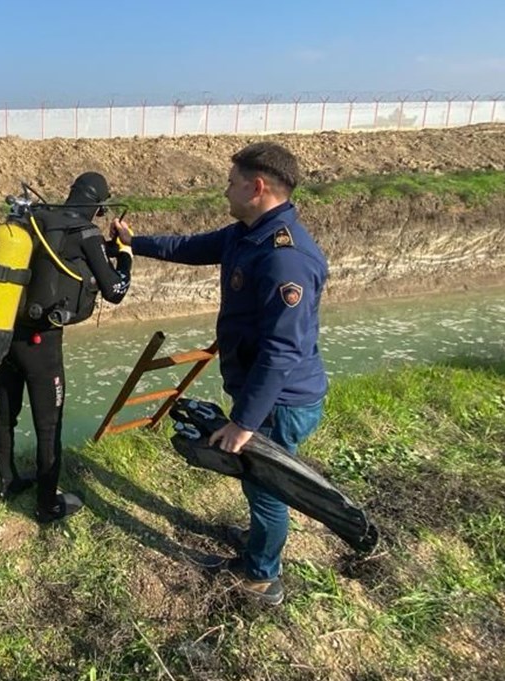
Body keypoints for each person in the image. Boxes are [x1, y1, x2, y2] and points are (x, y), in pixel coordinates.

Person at [111, 142, 328, 605]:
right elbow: (189, 247)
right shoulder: (247, 233)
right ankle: (258, 542)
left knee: (267, 488)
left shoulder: (283, 258)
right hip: (264, 392)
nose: (225, 191)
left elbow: (281, 350)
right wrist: (133, 243)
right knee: (259, 486)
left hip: (281, 400)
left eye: (231, 183)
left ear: (258, 187)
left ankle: (262, 577)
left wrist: (244, 423)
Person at [0, 171, 133, 522]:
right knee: (48, 426)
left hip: (9, 333)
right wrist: (125, 252)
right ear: (99, 206)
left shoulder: (34, 220)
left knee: (6, 411)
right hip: (44, 345)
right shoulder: (86, 233)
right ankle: (47, 505)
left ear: (71, 193)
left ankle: (8, 482)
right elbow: (115, 290)